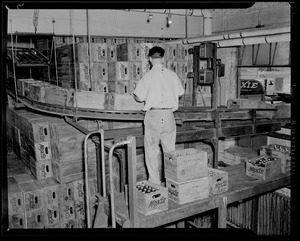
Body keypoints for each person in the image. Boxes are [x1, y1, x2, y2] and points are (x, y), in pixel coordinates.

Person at [133, 46, 185, 185]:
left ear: (150, 59)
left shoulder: (148, 76)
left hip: (154, 115)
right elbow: (180, 93)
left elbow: (138, 97)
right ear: (163, 58)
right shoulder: (172, 75)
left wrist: (142, 97)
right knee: (170, 151)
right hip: (169, 115)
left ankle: (155, 184)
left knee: (151, 151)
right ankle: (172, 183)